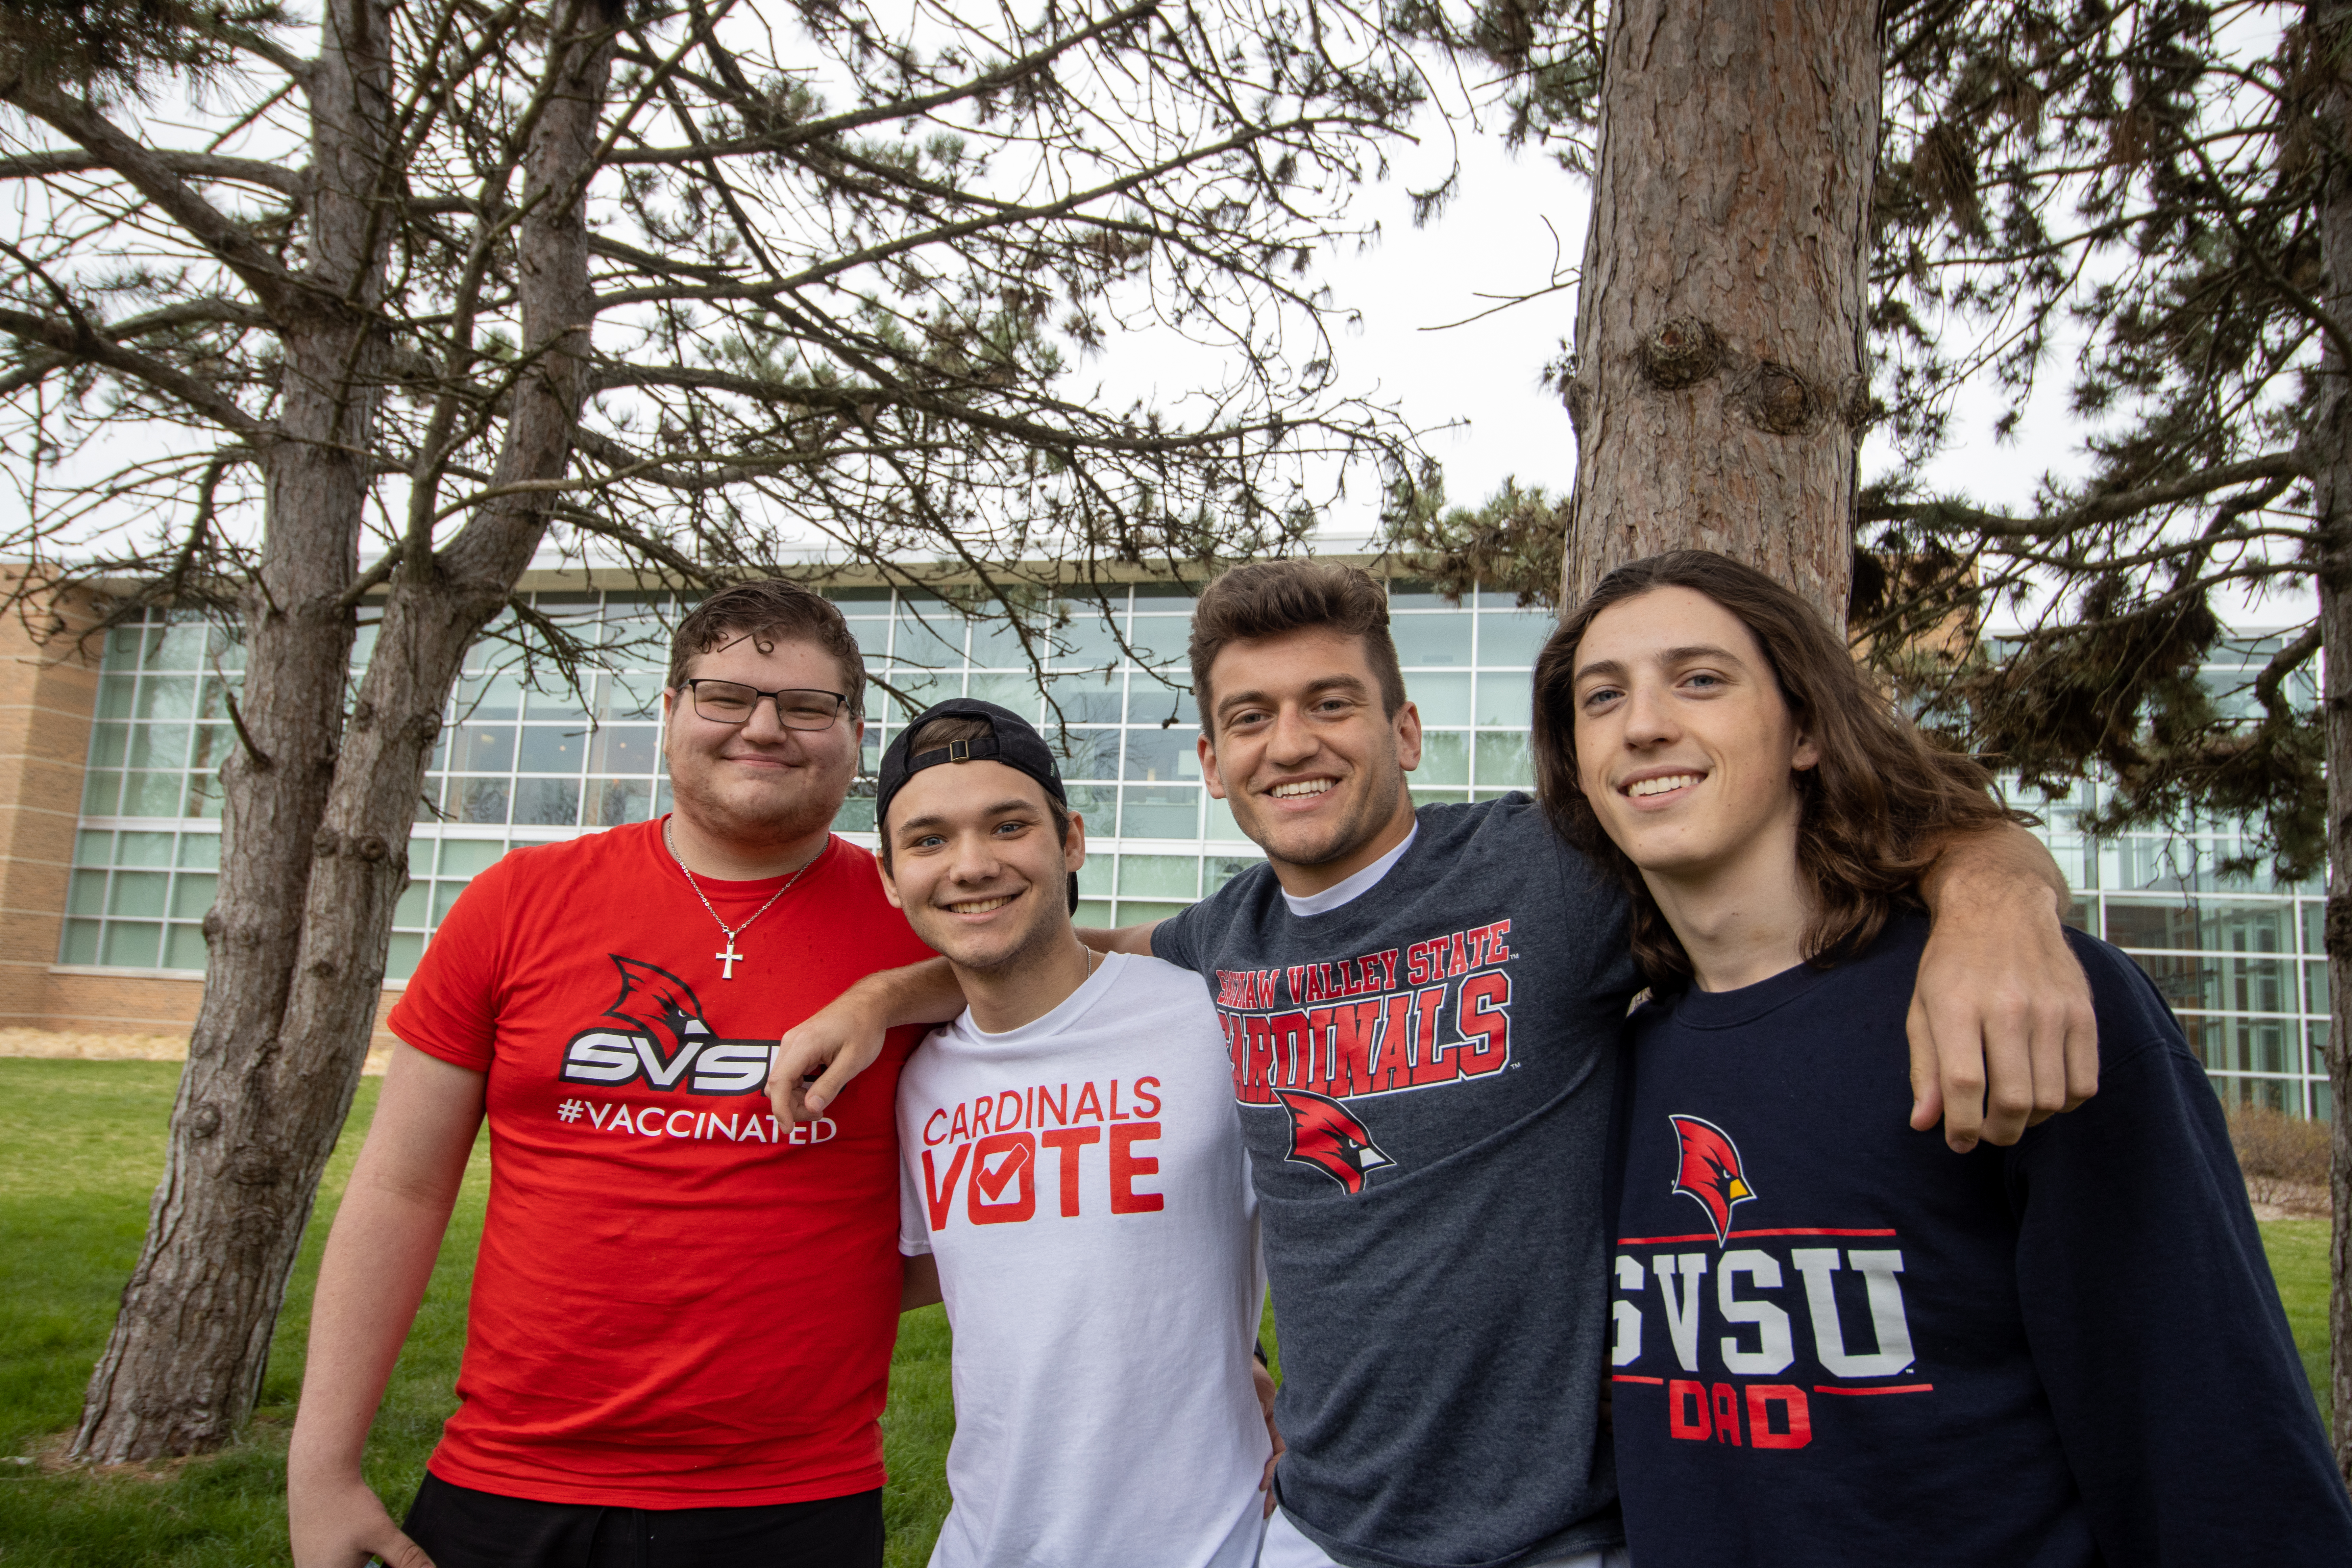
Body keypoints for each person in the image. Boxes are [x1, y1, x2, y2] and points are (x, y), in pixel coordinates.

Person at [769, 559, 2101, 1568]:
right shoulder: (1224, 939)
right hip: (1316, 1528)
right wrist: (889, 991)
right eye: (1252, 716)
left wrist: (1997, 894)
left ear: (1404, 732)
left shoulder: (1549, 871)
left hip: (1556, 1533)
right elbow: (1038, 940)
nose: (1291, 740)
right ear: (1214, 762)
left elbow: (1861, 821)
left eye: (1330, 703)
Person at [1544, 549, 2352, 1563]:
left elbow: (2218, 1454)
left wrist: (1993, 886)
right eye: (1602, 696)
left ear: (1802, 728)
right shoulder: (1609, 1066)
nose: (1644, 722)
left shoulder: (2019, 996)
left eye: (1700, 679)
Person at [288, 581, 938, 1568]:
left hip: (791, 1500)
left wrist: (891, 995)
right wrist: (322, 1471)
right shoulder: (517, 902)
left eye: (806, 707)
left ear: (853, 736)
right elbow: (401, 1187)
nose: (764, 729)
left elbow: (1062, 1112)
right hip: (507, 1482)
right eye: (726, 696)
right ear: (671, 711)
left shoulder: (922, 926)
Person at [874, 698, 1276, 1568]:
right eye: (930, 839)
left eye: (1008, 825)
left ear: (1072, 841)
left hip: (1212, 1544)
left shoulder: (1207, 1023)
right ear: (890, 875)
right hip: (986, 1543)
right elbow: (975, 1272)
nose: (972, 865)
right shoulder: (919, 1081)